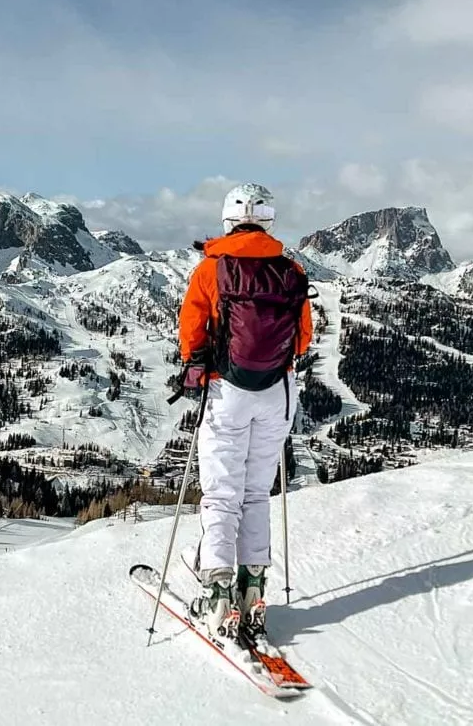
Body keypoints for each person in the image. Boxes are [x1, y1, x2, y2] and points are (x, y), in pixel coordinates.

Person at [177, 183, 313, 640]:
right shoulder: (290, 270)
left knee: (221, 493)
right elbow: (303, 338)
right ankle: (253, 589)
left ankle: (218, 595)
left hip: (226, 390)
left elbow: (191, 329)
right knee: (256, 492)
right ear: (269, 221)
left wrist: (196, 364)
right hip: (278, 391)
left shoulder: (211, 269)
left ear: (227, 220)